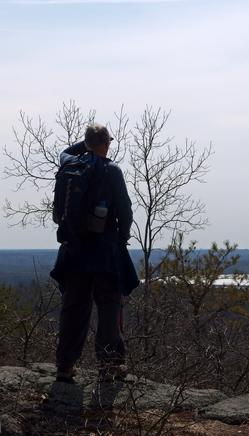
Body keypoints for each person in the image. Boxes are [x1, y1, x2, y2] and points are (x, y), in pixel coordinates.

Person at [50, 123, 139, 383]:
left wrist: (87, 144)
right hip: (104, 254)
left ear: (86, 142)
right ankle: (110, 366)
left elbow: (68, 150)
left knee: (74, 309)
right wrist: (120, 240)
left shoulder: (69, 166)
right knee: (109, 309)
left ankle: (64, 366)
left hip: (73, 252)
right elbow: (125, 211)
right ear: (106, 144)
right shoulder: (111, 171)